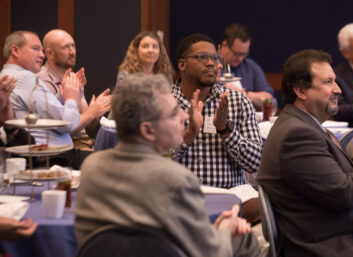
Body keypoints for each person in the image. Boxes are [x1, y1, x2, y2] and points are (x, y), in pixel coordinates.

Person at [74, 73, 263, 257]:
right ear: (148, 130)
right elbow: (209, 252)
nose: (184, 115)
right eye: (174, 112)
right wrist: (224, 229)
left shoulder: (92, 167)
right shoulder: (177, 179)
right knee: (247, 242)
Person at [256, 49, 353, 257]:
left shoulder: (306, 126)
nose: (338, 89)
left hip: (347, 234)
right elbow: (345, 193)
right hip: (330, 245)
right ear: (301, 91)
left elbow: (339, 183)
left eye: (336, 81)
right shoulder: (296, 135)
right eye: (328, 82)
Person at [172, 33, 263, 225]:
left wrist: (226, 131)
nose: (212, 63)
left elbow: (256, 163)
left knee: (266, 213)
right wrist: (188, 135)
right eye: (202, 57)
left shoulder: (237, 101)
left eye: (215, 58)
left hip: (232, 193)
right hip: (180, 194)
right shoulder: (164, 104)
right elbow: (153, 162)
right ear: (182, 65)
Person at [0, 31, 86, 169]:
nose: (42, 55)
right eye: (35, 48)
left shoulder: (7, 75)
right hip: (50, 160)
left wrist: (63, 96)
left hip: (37, 158)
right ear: (15, 50)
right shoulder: (26, 78)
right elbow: (68, 124)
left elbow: (42, 114)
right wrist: (71, 99)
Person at [38, 29, 111, 144]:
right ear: (49, 53)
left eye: (73, 46)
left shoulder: (73, 78)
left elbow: (87, 128)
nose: (72, 52)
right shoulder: (42, 81)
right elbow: (61, 131)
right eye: (65, 47)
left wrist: (97, 112)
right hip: (63, 147)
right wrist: (91, 112)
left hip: (83, 142)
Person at [219, 23, 274, 109]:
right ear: (224, 45)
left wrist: (244, 94)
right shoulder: (211, 66)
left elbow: (268, 98)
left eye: (244, 54)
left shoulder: (250, 66)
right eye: (237, 53)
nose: (240, 59)